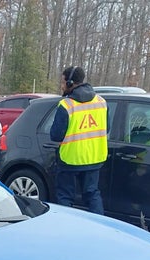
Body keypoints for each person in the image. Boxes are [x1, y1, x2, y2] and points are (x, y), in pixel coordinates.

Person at [49, 66, 107, 214]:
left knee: (65, 197)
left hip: (71, 159)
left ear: (70, 83)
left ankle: (66, 228)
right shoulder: (101, 102)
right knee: (92, 194)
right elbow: (106, 129)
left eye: (62, 82)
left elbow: (55, 135)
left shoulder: (66, 105)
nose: (61, 86)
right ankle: (98, 229)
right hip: (95, 158)